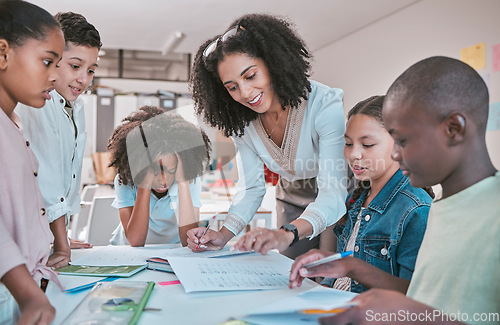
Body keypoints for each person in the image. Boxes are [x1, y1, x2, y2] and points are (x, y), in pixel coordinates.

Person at [321, 57, 499, 325]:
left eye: (402, 141)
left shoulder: (488, 212)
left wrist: (410, 312)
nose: (394, 153)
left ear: (454, 129)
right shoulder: (441, 208)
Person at [187, 13, 348, 259]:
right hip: (291, 194)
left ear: (273, 64)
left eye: (250, 76)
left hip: (339, 194)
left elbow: (333, 194)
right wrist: (223, 234)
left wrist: (288, 233)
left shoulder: (324, 104)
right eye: (232, 87)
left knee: (327, 276)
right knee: (291, 272)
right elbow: (251, 188)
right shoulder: (243, 123)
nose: (245, 93)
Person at [289, 95, 433, 293]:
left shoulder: (416, 209)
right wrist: (319, 289)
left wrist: (352, 267)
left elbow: (414, 295)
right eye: (348, 143)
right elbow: (341, 280)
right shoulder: (356, 199)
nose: (354, 154)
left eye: (367, 145)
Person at [16, 12, 102, 270]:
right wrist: (62, 245)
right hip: (29, 235)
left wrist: (59, 238)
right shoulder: (41, 102)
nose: (83, 79)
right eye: (75, 66)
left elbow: (69, 173)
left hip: (50, 233)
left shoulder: (76, 106)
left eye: (90, 70)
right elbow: (49, 179)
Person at [0, 0, 65, 323]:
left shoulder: (11, 124)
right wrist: (27, 293)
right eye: (47, 61)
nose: (56, 76)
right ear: (3, 53)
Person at [107, 106, 211, 247]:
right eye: (155, 171)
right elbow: (135, 241)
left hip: (170, 251)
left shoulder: (190, 180)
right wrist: (145, 183)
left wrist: (183, 183)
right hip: (127, 252)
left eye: (172, 170)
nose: (163, 181)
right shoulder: (126, 181)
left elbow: (188, 241)